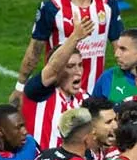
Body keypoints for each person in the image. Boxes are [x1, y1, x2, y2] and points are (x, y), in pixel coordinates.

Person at [15, 0, 123, 96]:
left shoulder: (108, 3)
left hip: (95, 97)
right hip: (58, 97)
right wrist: (20, 87)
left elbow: (120, 48)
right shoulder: (52, 7)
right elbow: (35, 50)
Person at [19, 16, 94, 149]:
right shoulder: (38, 92)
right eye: (70, 66)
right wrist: (75, 37)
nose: (78, 71)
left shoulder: (84, 99)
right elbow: (52, 69)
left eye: (80, 65)